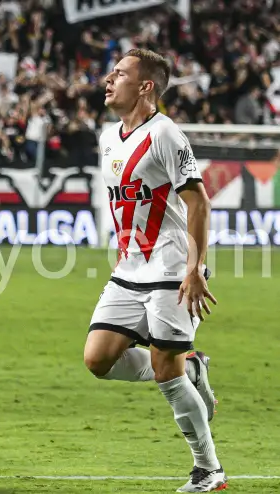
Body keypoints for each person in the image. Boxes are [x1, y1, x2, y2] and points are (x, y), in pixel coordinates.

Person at [84, 49, 226, 493]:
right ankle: (193, 368)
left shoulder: (166, 134)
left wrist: (195, 268)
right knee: (98, 359)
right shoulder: (110, 136)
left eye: (120, 74)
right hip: (129, 268)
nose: (109, 80)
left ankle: (209, 469)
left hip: (170, 269)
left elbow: (198, 201)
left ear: (146, 86)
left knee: (166, 371)